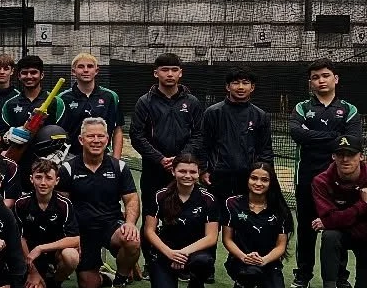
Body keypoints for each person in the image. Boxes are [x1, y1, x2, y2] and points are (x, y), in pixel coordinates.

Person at [289, 60, 362, 288]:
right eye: (315, 77)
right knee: (305, 227)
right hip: (307, 175)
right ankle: (303, 274)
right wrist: (335, 136)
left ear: (335, 79)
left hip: (340, 178)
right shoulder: (301, 107)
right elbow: (297, 134)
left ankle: (341, 276)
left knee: (338, 226)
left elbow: (353, 141)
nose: (321, 80)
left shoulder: (349, 109)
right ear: (310, 82)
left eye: (325, 75)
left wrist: (314, 135)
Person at [58, 116, 141, 288]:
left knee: (132, 240)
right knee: (89, 287)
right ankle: (106, 277)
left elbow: (131, 200)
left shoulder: (119, 167)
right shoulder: (68, 169)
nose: (96, 140)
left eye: (101, 136)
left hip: (110, 225)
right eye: (91, 136)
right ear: (81, 140)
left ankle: (120, 284)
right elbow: (63, 206)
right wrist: (71, 237)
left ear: (107, 139)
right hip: (82, 231)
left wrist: (129, 223)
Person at [143, 153, 218, 288]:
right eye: (182, 171)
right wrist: (170, 253)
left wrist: (183, 253)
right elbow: (149, 231)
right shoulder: (160, 195)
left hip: (194, 253)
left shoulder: (208, 199)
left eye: (192, 172)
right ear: (173, 172)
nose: (187, 176)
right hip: (166, 252)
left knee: (203, 261)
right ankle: (165, 280)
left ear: (198, 174)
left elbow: (211, 237)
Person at [130, 53, 204, 206]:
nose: (170, 74)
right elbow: (137, 136)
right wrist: (160, 159)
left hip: (184, 170)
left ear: (180, 73)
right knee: (151, 217)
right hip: (153, 170)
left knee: (184, 217)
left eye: (174, 69)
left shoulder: (192, 102)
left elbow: (199, 134)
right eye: (165, 70)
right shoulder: (144, 102)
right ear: (156, 73)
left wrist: (180, 158)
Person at [223, 162, 291, 288]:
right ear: (247, 179)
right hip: (241, 261)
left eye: (264, 180)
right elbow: (227, 239)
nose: (258, 183)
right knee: (251, 273)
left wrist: (264, 260)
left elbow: (281, 246)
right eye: (254, 178)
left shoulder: (280, 209)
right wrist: (244, 257)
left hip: (268, 263)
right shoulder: (232, 203)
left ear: (271, 182)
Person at [199, 67, 273, 209]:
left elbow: (265, 149)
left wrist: (263, 176)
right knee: (214, 220)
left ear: (252, 87)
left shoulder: (260, 115)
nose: (240, 87)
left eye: (245, 83)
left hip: (248, 179)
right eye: (235, 83)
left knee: (243, 221)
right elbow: (203, 144)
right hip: (218, 177)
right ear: (227, 86)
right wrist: (203, 170)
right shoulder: (213, 112)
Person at [310, 136, 367, 288]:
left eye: (350, 155)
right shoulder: (321, 181)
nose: (345, 159)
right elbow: (328, 219)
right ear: (333, 157)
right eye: (340, 154)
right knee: (330, 236)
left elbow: (331, 219)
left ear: (361, 156)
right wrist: (363, 205)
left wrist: (335, 220)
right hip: (341, 234)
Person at [14, 159, 80, 288]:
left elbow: (75, 239)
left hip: (54, 254)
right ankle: (40, 279)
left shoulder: (65, 204)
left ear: (56, 180)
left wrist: (41, 248)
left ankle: (55, 284)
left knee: (71, 255)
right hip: (30, 257)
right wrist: (33, 272)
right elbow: (20, 238)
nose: (43, 183)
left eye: (49, 178)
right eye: (38, 177)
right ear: (31, 179)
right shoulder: (21, 203)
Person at [58, 52, 123, 157]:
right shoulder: (62, 98)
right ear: (73, 72)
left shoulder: (110, 96)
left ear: (96, 71)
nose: (86, 70)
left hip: (103, 156)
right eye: (81, 67)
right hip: (71, 157)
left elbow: (117, 130)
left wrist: (116, 160)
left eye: (90, 66)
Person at [1, 54, 64, 131]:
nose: (29, 76)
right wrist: (8, 136)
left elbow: (64, 131)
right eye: (24, 73)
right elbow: (2, 132)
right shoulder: (10, 104)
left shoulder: (56, 102)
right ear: (19, 76)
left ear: (42, 75)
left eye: (33, 72)